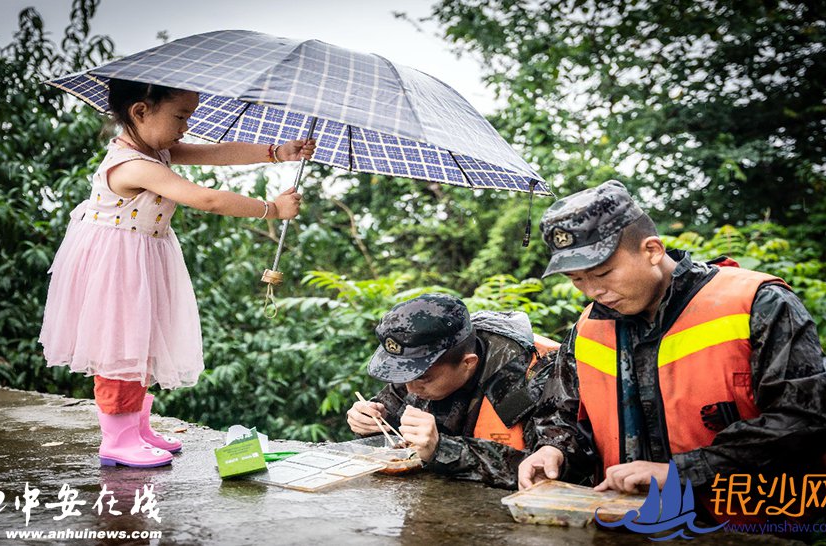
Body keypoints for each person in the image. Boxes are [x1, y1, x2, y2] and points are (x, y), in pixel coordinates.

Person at [518, 180, 826, 523]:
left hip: (752, 528)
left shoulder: (759, 304)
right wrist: (554, 449)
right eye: (576, 280)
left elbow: (805, 420)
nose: (593, 290)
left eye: (602, 272)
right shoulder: (586, 330)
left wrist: (679, 472)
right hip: (628, 527)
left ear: (653, 250)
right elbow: (565, 416)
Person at [39, 78, 316, 468]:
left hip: (142, 257)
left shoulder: (156, 150)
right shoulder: (133, 163)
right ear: (140, 111)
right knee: (120, 350)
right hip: (117, 265)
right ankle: (117, 439)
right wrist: (271, 209)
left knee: (141, 344)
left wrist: (277, 152)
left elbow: (216, 154)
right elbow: (206, 198)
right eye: (181, 116)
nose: (185, 127)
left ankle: (135, 427)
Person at [346, 293, 560, 488]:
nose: (409, 388)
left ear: (468, 363)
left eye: (422, 378)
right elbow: (388, 422)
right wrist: (369, 421)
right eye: (405, 378)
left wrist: (442, 449)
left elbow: (547, 469)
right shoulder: (419, 363)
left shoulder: (531, 381)